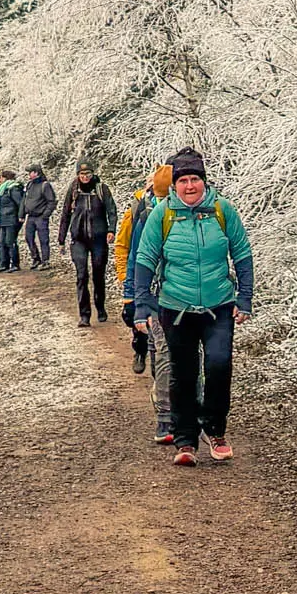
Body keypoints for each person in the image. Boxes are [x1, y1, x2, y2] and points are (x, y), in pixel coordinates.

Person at [132, 147, 253, 467]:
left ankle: (215, 430)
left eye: (195, 180)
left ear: (204, 182)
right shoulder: (163, 214)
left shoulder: (223, 210)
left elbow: (241, 254)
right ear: (173, 186)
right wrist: (142, 303)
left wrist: (245, 297)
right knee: (183, 373)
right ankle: (185, 440)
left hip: (219, 305)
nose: (189, 186)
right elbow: (145, 258)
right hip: (176, 307)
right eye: (183, 180)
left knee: (219, 364)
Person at [117, 164, 175, 443]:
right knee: (162, 351)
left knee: (167, 352)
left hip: (179, 294)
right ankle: (166, 415)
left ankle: (176, 409)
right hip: (154, 295)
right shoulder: (144, 212)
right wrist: (132, 295)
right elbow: (133, 255)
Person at [57, 164, 118, 327]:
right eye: (82, 173)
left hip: (99, 239)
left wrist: (111, 230)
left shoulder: (101, 189)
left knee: (98, 274)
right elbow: (65, 213)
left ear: (93, 173)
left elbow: (112, 211)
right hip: (79, 239)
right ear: (78, 174)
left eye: (88, 173)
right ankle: (84, 315)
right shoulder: (74, 190)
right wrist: (61, 239)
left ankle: (100, 306)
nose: (85, 177)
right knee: (81, 275)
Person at [21, 166, 57, 268]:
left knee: (43, 239)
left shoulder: (45, 185)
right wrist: (22, 214)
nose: (28, 175)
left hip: (41, 217)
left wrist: (46, 214)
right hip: (31, 216)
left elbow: (52, 201)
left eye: (30, 172)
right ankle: (36, 258)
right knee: (28, 238)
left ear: (36, 173)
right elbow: (25, 200)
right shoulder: (29, 185)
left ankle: (45, 261)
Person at [0, 169, 26, 273]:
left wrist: (20, 216)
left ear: (5, 178)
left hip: (11, 219)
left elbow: (20, 204)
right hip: (3, 219)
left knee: (10, 241)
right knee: (2, 242)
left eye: (1, 177)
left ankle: (15, 263)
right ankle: (4, 263)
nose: (0, 179)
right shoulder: (3, 189)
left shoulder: (13, 189)